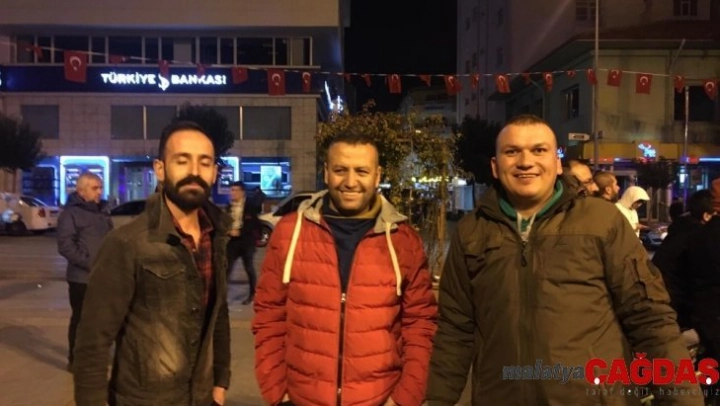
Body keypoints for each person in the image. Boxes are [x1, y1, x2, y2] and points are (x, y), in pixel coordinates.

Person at [426, 114, 701, 405]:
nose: (525, 161)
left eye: (539, 150)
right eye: (512, 151)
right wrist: (438, 400)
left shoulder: (601, 221)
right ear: (495, 166)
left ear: (557, 164)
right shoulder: (472, 232)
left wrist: (682, 400)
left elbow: (649, 318)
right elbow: (454, 329)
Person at [252, 130, 437, 406]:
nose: (350, 182)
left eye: (361, 171)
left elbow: (420, 324)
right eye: (340, 170)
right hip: (302, 399)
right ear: (326, 173)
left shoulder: (403, 240)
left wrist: (404, 399)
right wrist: (279, 393)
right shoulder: (290, 232)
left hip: (379, 399)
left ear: (377, 176)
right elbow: (268, 315)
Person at [72, 121, 232, 406]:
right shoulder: (126, 242)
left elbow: (218, 314)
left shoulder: (216, 235)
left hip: (201, 396)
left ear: (214, 172)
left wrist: (220, 381)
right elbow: (93, 341)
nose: (194, 172)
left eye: (205, 162)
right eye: (182, 160)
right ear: (160, 169)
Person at [56, 172, 113, 371]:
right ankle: (76, 359)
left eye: (101, 187)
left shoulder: (103, 212)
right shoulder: (70, 214)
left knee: (102, 320)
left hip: (104, 276)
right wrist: (90, 263)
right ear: (81, 191)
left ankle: (96, 355)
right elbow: (65, 246)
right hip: (81, 278)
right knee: (81, 320)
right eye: (95, 188)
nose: (100, 192)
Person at [653, 189, 715, 330]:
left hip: (664, 302)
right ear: (706, 216)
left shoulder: (681, 229)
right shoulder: (699, 238)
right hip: (677, 310)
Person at [226, 180, 260, 305]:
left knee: (249, 268)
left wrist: (240, 232)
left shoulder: (250, 205)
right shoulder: (229, 206)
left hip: (246, 242)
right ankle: (222, 295)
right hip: (232, 242)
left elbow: (254, 224)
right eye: (231, 190)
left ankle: (252, 294)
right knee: (226, 268)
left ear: (242, 192)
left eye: (235, 190)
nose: (232, 193)